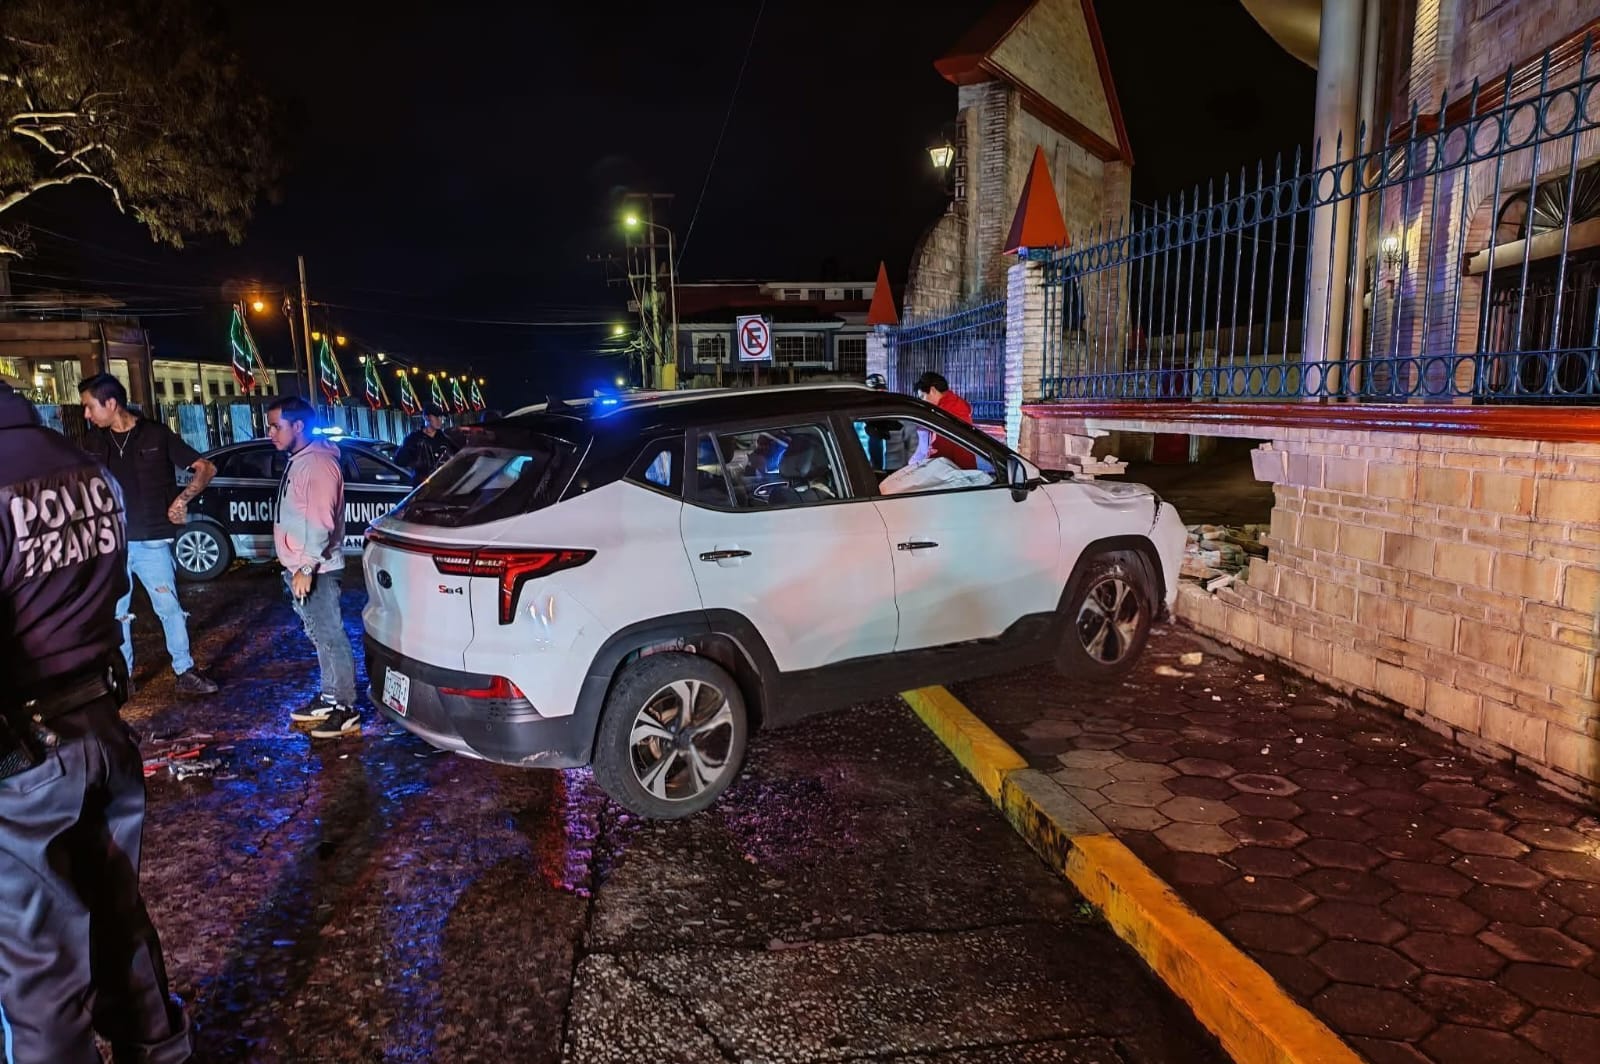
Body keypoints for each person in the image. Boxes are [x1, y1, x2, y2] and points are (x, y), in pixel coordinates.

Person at [0, 378, 192, 1062]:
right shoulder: (85, 467)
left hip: (21, 749)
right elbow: (109, 587)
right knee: (119, 919)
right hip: (101, 725)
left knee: (40, 967)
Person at [79, 374, 220, 697]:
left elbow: (205, 467)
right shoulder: (93, 442)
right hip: (110, 543)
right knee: (118, 614)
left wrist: (182, 499)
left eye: (89, 407)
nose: (86, 415)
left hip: (152, 540)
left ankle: (184, 671)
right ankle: (124, 678)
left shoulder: (154, 434)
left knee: (168, 606)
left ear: (110, 403)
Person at [267, 396, 361, 738]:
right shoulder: (301, 459)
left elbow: (320, 521)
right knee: (321, 636)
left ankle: (345, 707)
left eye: (276, 426)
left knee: (331, 636)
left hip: (317, 569)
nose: (270, 433)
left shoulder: (318, 463)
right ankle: (330, 696)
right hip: (303, 567)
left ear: (298, 426)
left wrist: (306, 567)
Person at [913, 371, 977, 470]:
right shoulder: (954, 404)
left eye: (922, 397)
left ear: (933, 390)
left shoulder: (945, 413)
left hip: (957, 475)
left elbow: (939, 451)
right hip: (960, 469)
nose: (923, 402)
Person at [862, 374, 920, 472]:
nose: (878, 397)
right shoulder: (858, 416)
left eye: (882, 392)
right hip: (866, 471)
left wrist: (907, 469)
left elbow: (912, 445)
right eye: (874, 393)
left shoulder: (898, 415)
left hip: (895, 470)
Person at [394, 403, 458, 486]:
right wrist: (415, 461)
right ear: (426, 417)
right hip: (423, 487)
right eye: (436, 416)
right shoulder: (414, 438)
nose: (439, 420)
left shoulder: (445, 439)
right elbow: (399, 461)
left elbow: (459, 458)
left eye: (441, 417)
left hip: (442, 486)